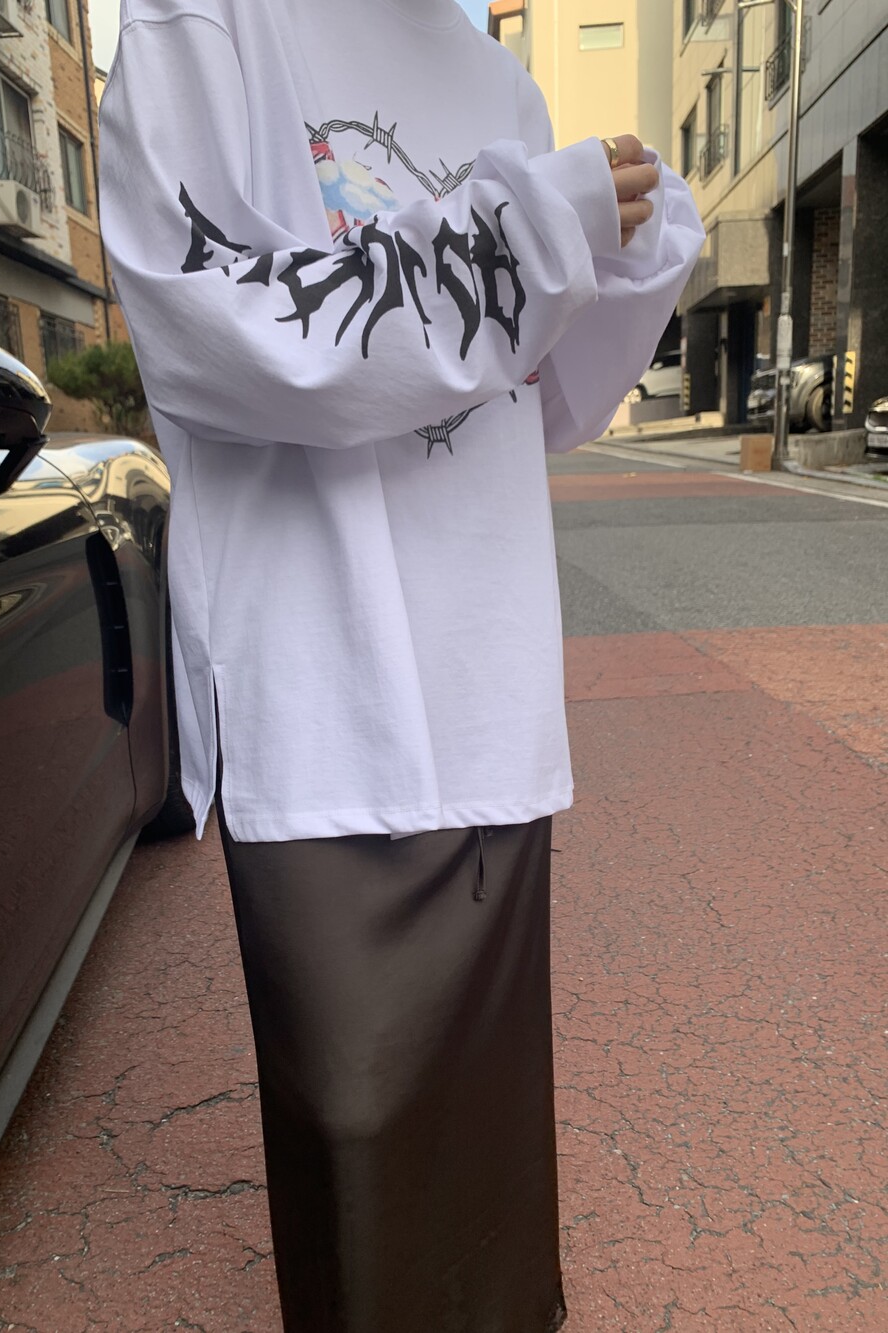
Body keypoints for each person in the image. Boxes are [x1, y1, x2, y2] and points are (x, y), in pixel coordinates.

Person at [99, 1, 703, 1327]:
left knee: (482, 1117)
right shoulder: (212, 20)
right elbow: (208, 332)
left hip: (485, 668)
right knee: (359, 1119)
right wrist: (526, 235)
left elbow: (540, 400)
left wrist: (624, 259)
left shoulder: (496, 77)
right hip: (320, 677)